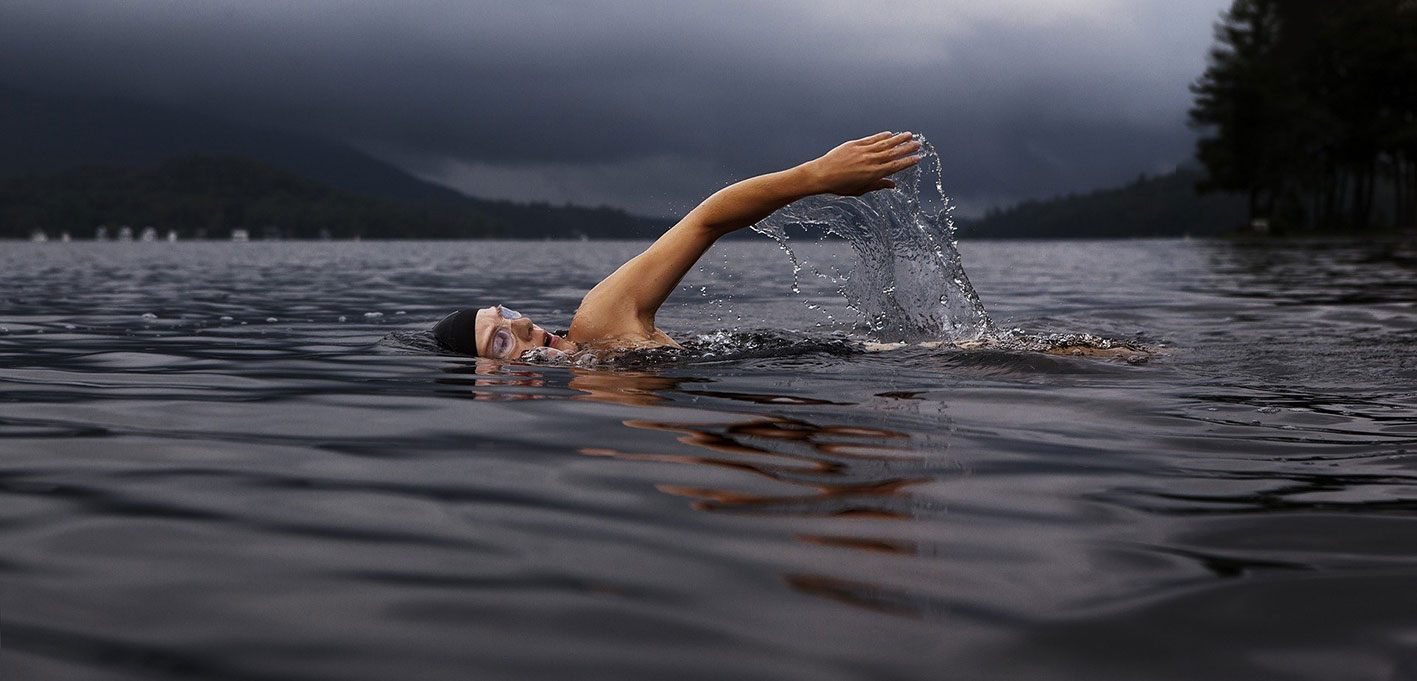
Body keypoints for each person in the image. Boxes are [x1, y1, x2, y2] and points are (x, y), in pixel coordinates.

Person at [433, 131, 922, 359]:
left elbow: (705, 221)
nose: (522, 323)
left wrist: (815, 176)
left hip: (891, 358)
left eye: (506, 313)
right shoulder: (594, 400)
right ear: (487, 385)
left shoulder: (599, 323)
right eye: (500, 340)